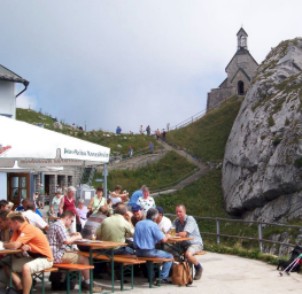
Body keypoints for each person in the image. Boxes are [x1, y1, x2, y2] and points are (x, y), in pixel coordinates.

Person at [47, 210, 101, 292]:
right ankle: (88, 283)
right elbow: (66, 241)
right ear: (67, 218)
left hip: (52, 253)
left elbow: (61, 238)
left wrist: (71, 235)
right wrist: (77, 237)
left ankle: (78, 280)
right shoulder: (59, 225)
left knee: (77, 253)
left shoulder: (54, 224)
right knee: (84, 259)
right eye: (71, 221)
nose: (72, 223)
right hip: (58, 255)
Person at [4, 212, 53, 294]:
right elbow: (11, 244)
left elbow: (14, 245)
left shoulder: (28, 228)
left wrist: (3, 244)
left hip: (46, 258)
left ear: (16, 222)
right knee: (7, 264)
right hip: (34, 257)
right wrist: (12, 245)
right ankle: (20, 287)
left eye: (10, 223)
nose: (9, 226)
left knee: (26, 268)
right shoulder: (17, 230)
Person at [134, 208, 173, 285]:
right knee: (170, 256)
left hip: (138, 252)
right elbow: (163, 240)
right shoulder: (153, 225)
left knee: (149, 259)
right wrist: (168, 236)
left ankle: (151, 277)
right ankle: (163, 278)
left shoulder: (138, 223)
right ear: (155, 217)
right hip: (149, 252)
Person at [173, 204, 203, 280]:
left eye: (180, 211)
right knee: (169, 252)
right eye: (177, 212)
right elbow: (170, 231)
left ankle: (199, 268)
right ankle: (176, 273)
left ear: (185, 211)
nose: (178, 214)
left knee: (188, 254)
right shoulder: (176, 221)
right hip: (183, 244)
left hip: (195, 243)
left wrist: (174, 234)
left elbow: (184, 234)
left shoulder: (190, 219)